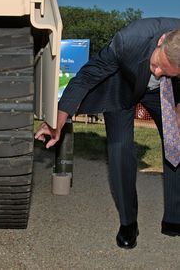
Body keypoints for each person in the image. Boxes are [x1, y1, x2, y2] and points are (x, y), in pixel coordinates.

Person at [35, 17, 180, 249]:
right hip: (123, 88)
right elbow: (87, 77)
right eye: (156, 65)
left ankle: (174, 216)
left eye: (168, 71)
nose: (159, 72)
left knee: (177, 144)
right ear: (161, 40)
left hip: (164, 94)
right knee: (119, 151)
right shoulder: (128, 41)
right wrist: (58, 121)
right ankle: (128, 223)